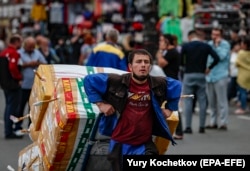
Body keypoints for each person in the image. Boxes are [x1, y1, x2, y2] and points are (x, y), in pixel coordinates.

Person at [84, 49, 182, 171]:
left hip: (144, 144)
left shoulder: (158, 83)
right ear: (130, 66)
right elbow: (88, 80)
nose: (143, 65)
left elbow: (177, 85)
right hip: (119, 144)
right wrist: (101, 104)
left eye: (146, 62)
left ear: (150, 66)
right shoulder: (116, 81)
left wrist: (170, 109)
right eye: (139, 62)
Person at [180, 30, 220, 134]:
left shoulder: (186, 46)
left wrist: (185, 67)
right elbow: (216, 58)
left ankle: (188, 127)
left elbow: (180, 60)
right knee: (202, 100)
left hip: (189, 74)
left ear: (190, 37)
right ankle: (201, 127)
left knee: (188, 101)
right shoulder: (205, 46)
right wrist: (209, 68)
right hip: (201, 74)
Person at [156, 33, 183, 139]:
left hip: (171, 82)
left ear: (166, 41)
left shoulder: (172, 52)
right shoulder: (169, 51)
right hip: (168, 81)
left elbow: (161, 63)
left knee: (173, 106)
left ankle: (179, 131)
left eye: (161, 40)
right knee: (167, 105)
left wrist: (159, 51)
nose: (160, 43)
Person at [17, 36, 47, 130]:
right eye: (29, 47)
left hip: (34, 86)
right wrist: (28, 64)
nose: (31, 49)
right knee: (20, 106)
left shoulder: (37, 52)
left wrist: (37, 63)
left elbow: (45, 64)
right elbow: (18, 65)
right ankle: (18, 126)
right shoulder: (19, 53)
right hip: (23, 85)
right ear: (25, 45)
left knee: (33, 107)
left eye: (33, 47)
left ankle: (31, 126)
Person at [205, 27, 231, 130]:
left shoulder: (225, 44)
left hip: (221, 75)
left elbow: (220, 56)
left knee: (222, 101)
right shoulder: (209, 44)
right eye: (213, 34)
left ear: (221, 36)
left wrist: (217, 45)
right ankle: (213, 122)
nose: (215, 37)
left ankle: (223, 122)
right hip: (210, 76)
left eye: (217, 35)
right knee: (211, 101)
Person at [0, 34, 23, 139]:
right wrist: (18, 78)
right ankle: (9, 131)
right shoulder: (14, 53)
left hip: (5, 83)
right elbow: (13, 67)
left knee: (8, 106)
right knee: (12, 107)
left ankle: (7, 129)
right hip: (12, 83)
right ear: (16, 42)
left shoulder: (4, 52)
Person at [235, 36, 250, 114]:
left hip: (243, 74)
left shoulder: (241, 53)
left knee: (242, 92)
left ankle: (243, 108)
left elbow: (236, 63)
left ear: (245, 44)